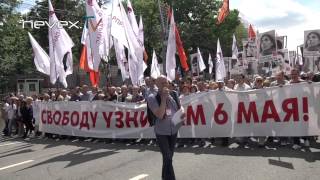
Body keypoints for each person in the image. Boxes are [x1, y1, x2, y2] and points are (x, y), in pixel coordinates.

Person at [146, 76, 185, 180]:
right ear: (157, 85)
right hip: (161, 132)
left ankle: (164, 177)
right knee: (167, 157)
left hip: (174, 130)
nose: (164, 85)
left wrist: (183, 111)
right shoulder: (152, 97)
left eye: (166, 82)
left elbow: (179, 106)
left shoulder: (174, 94)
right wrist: (163, 99)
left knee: (168, 158)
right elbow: (159, 114)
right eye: (162, 83)